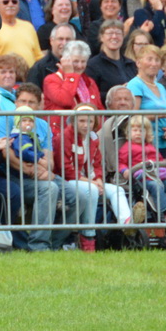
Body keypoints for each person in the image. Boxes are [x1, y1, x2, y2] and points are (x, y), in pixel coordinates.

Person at [0, 84, 62, 251]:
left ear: (39, 105)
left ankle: (57, 244)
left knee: (78, 195)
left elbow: (49, 160)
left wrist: (45, 170)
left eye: (31, 102)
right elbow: (7, 152)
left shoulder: (43, 125)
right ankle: (38, 246)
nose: (26, 105)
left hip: (41, 174)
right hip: (13, 175)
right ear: (15, 102)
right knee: (49, 189)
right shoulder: (5, 120)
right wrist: (30, 169)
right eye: (22, 101)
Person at [55, 107, 122, 251]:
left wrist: (99, 179)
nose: (86, 125)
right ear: (73, 121)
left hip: (89, 181)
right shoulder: (64, 136)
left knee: (117, 190)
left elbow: (97, 164)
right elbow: (66, 170)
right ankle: (88, 236)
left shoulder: (93, 137)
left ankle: (127, 225)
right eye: (82, 121)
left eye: (90, 121)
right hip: (69, 180)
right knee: (92, 190)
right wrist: (92, 182)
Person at [116, 114, 166, 225]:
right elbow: (121, 163)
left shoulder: (150, 146)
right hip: (142, 179)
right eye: (135, 130)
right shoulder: (127, 147)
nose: (138, 133)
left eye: (141, 131)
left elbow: (160, 160)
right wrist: (125, 171)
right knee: (156, 186)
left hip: (158, 176)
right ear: (128, 133)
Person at [40, 39, 100, 112]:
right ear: (65, 60)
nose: (80, 66)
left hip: (88, 119)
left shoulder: (90, 82)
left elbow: (99, 108)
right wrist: (70, 75)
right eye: (76, 61)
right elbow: (65, 101)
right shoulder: (51, 80)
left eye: (83, 62)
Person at [0, 0, 43, 66]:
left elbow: (38, 56)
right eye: (5, 2)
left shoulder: (28, 27)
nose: (10, 4)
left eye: (14, 2)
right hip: (6, 72)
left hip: (30, 72)